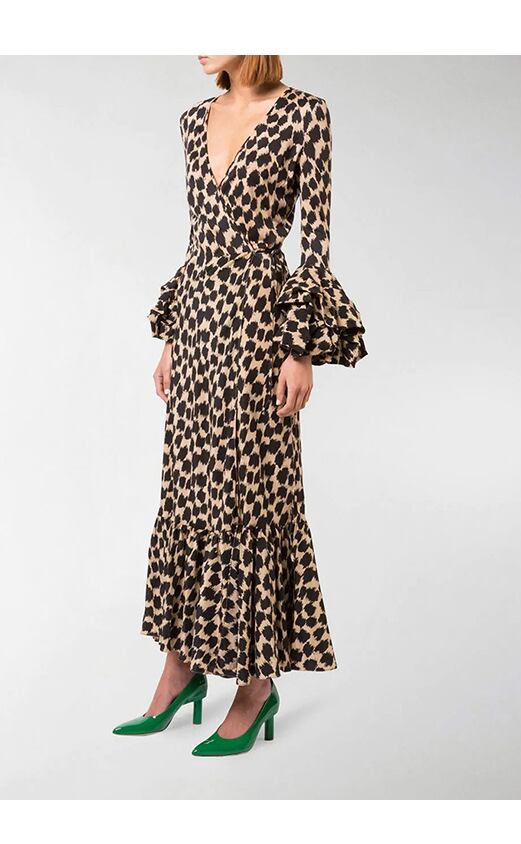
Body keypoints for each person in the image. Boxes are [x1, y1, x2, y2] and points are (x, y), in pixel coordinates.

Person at [113, 55, 366, 757]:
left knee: (249, 496)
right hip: (199, 326)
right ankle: (179, 670)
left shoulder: (305, 113)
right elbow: (200, 239)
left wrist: (299, 347)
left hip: (259, 325)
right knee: (190, 492)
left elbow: (315, 246)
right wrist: (172, 337)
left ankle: (256, 687)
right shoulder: (193, 121)